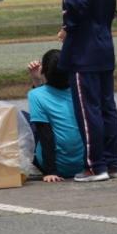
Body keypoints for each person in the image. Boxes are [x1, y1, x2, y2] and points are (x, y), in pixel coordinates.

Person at [58, 0, 117, 182]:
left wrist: (66, 29)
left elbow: (74, 8)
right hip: (105, 47)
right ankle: (114, 163)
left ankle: (94, 165)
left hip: (82, 51)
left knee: (88, 110)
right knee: (108, 106)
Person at [25, 49, 86, 182]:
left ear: (44, 71)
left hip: (59, 168)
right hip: (85, 165)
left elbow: (46, 135)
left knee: (23, 117)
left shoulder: (35, 95)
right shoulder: (81, 90)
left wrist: (50, 171)